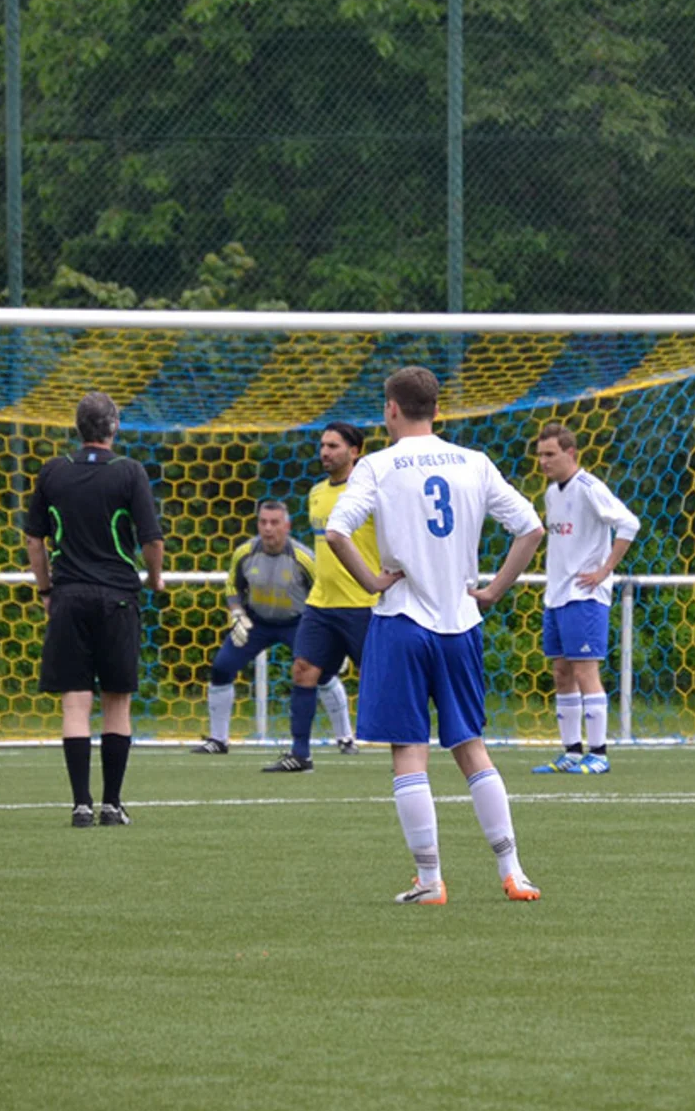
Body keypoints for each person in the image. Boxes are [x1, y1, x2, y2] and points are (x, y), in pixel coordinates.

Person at [324, 365, 547, 905]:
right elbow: (531, 528)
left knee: (409, 752)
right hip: (460, 622)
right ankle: (513, 872)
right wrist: (493, 589)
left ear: (392, 410)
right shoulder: (474, 462)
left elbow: (336, 532)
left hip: (401, 622)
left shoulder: (376, 465)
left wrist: (373, 581)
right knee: (472, 747)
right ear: (437, 409)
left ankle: (429, 881)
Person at [22, 391, 165, 828]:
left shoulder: (53, 472)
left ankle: (81, 804)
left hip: (69, 597)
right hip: (118, 597)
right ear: (114, 426)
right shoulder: (129, 472)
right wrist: (155, 579)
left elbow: (34, 540)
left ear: (77, 427)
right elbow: (151, 539)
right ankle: (112, 804)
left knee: (75, 703)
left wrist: (46, 590)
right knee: (116, 702)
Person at [529, 422, 641, 775]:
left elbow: (629, 524)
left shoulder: (590, 488)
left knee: (585, 671)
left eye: (550, 454)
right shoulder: (551, 493)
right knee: (562, 672)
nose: (544, 462)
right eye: (540, 455)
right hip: (557, 596)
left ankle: (600, 753)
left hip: (585, 595)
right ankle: (572, 752)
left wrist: (605, 569)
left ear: (570, 452)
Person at [262, 422, 373, 773]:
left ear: (355, 451)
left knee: (383, 678)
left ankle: (414, 746)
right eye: (323, 445)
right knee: (303, 670)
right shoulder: (315, 493)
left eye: (334, 446)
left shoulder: (371, 492)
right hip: (322, 603)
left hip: (363, 603)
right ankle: (300, 753)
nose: (325, 452)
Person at [192, 501, 318, 755]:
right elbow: (232, 586)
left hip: (297, 622)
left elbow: (321, 593)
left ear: (287, 526)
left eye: (274, 522)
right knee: (221, 667)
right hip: (256, 622)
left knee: (321, 673)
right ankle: (218, 740)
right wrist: (236, 612)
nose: (268, 528)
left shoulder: (304, 558)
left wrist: (327, 634)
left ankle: (345, 738)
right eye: (263, 522)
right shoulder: (245, 553)